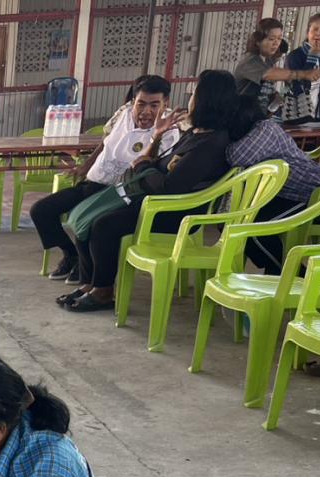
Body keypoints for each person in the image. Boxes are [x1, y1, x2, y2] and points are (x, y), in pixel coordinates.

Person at [60, 69, 241, 312]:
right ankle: (90, 284)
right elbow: (160, 166)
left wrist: (144, 164)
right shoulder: (196, 134)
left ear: (207, 99)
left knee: (103, 226)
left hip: (174, 213)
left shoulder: (210, 145)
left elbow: (170, 187)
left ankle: (103, 291)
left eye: (195, 93)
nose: (190, 99)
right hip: (152, 200)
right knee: (86, 216)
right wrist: (155, 138)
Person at [32, 75, 177, 283]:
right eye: (141, 104)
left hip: (119, 193)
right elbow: (105, 141)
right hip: (94, 182)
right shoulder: (124, 113)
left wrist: (157, 135)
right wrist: (86, 166)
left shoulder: (169, 130)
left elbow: (149, 167)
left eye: (154, 105)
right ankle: (71, 256)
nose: (146, 112)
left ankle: (87, 275)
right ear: (133, 101)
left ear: (166, 104)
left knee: (86, 222)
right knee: (41, 210)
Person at [228, 94, 320, 271]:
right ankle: (281, 274)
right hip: (292, 194)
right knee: (239, 223)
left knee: (254, 230)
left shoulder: (265, 129)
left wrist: (220, 138)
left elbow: (237, 156)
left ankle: (293, 275)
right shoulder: (256, 131)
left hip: (317, 195)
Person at [234, 19, 320, 118]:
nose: (276, 43)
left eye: (279, 39)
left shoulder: (268, 62)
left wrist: (275, 99)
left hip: (259, 119)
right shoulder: (250, 61)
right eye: (271, 39)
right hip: (241, 120)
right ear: (258, 41)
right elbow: (268, 74)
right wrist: (304, 74)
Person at [285, 13, 320, 122]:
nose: (319, 33)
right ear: (308, 32)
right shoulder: (294, 56)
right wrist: (313, 55)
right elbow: (295, 85)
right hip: (296, 116)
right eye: (315, 29)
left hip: (318, 116)